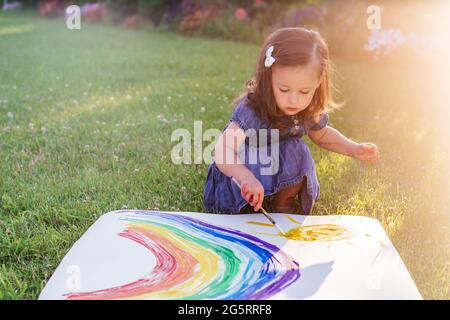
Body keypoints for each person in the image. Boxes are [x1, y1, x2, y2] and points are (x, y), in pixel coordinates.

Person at [203, 27, 379, 215]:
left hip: (267, 170)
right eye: (284, 89)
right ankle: (244, 206)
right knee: (253, 155)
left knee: (297, 150)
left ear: (318, 82)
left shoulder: (306, 109)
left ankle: (283, 205)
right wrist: (245, 177)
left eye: (304, 91)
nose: (294, 100)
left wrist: (353, 148)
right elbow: (223, 150)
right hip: (237, 176)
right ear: (268, 79)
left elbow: (323, 135)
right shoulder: (254, 108)